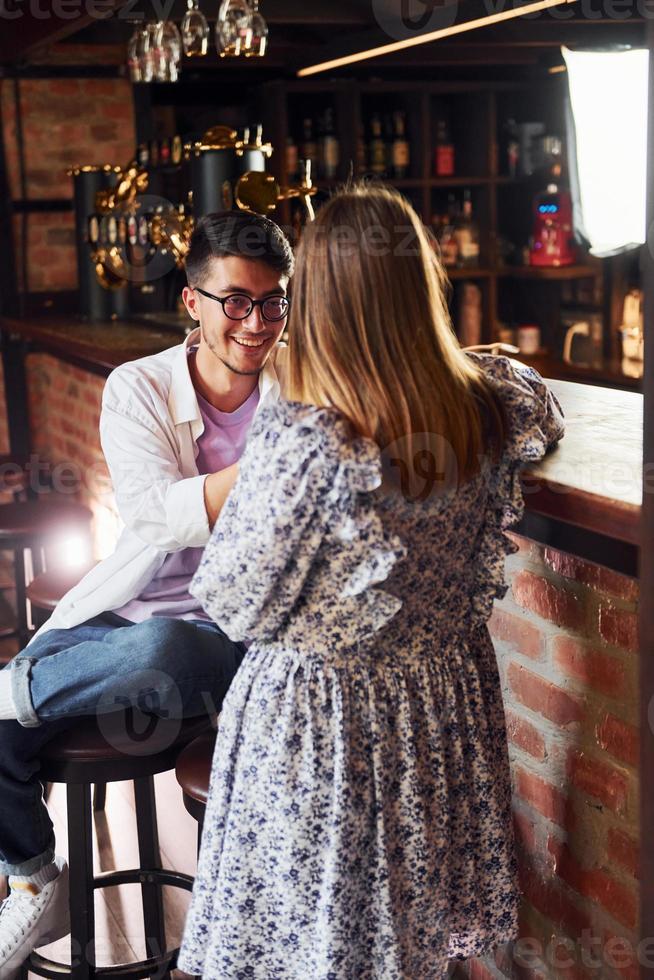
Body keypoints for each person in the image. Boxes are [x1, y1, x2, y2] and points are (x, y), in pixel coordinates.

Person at [177, 184, 566, 980]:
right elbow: (541, 401)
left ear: (318, 299)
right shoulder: (485, 409)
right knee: (403, 948)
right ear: (420, 285)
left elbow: (230, 597)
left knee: (320, 949)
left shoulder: (309, 432)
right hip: (439, 713)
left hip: (326, 727)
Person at [0, 209, 294, 976]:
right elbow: (156, 516)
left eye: (272, 302)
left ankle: (16, 688)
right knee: (1, 731)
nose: (255, 323)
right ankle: (34, 877)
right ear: (191, 302)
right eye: (235, 300)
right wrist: (282, 465)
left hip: (231, 632)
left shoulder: (304, 385)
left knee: (162, 647)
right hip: (121, 616)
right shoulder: (139, 386)